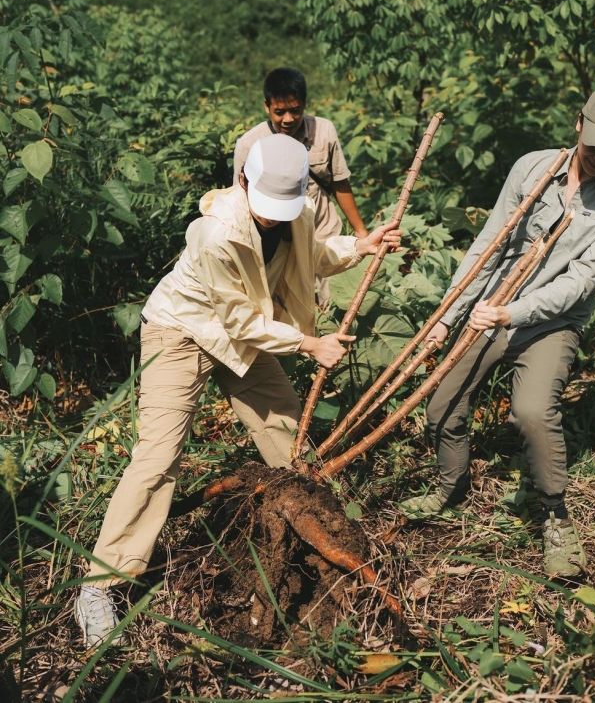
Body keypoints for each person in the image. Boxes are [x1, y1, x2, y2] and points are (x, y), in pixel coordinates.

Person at [75, 133, 402, 649]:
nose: (272, 217)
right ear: (243, 179)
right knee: (159, 455)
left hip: (243, 333)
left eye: (283, 208)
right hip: (183, 330)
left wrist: (359, 246)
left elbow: (310, 254)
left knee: (284, 427)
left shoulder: (293, 211)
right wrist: (309, 344)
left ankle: (318, 539)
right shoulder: (216, 233)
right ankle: (101, 582)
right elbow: (240, 319)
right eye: (266, 206)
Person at [399, 83, 595, 578]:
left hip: (552, 322)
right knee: (440, 407)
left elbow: (581, 282)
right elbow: (488, 243)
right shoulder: (533, 168)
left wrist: (511, 315)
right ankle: (451, 486)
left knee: (533, 412)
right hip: (490, 304)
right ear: (579, 122)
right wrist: (449, 314)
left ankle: (555, 515)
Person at [234, 67, 368, 304]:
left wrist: (360, 231)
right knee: (291, 307)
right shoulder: (250, 144)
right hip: (280, 243)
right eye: (280, 112)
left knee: (335, 302)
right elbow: (241, 201)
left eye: (295, 111)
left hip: (323, 231)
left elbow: (340, 182)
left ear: (304, 104)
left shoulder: (324, 131)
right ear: (267, 106)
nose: (288, 119)